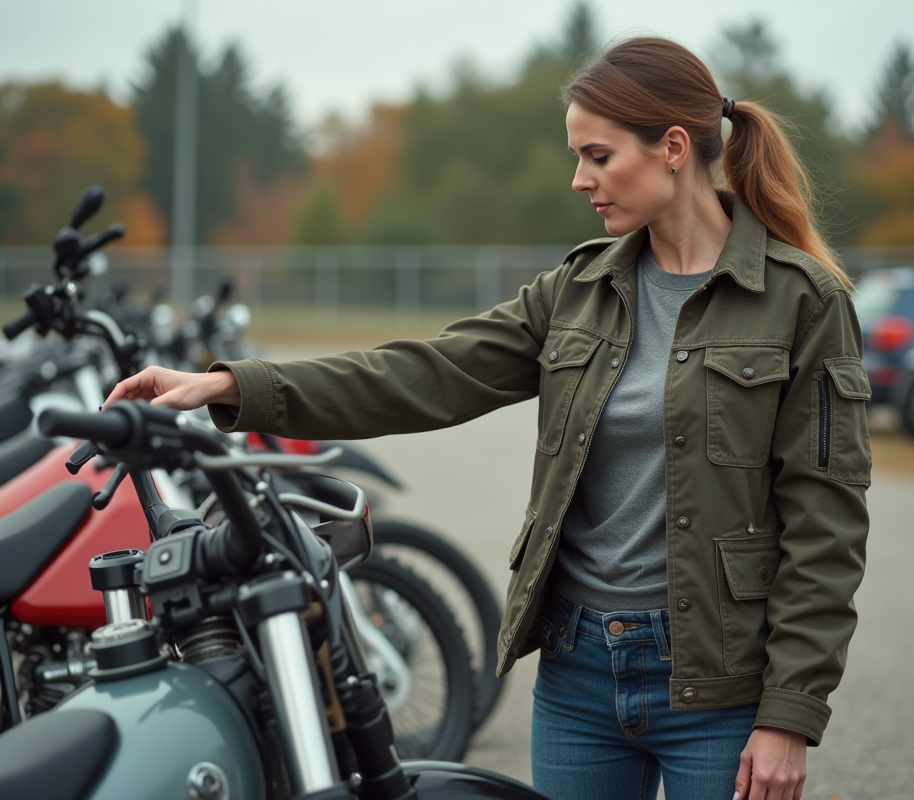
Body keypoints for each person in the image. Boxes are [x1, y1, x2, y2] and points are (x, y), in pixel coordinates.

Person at [106, 36, 870, 800]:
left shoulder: (803, 301)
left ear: (672, 148)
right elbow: (422, 373)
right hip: (577, 678)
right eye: (578, 157)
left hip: (720, 689)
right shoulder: (576, 291)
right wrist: (230, 387)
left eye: (598, 156)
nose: (580, 179)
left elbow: (824, 529)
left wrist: (790, 714)